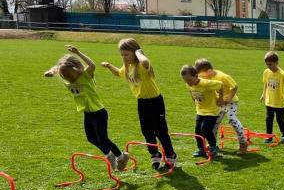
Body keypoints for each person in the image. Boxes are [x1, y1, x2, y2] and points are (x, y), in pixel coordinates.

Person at [45, 45, 129, 170]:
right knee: (91, 138)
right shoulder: (67, 79)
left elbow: (92, 65)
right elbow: (59, 67)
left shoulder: (85, 76)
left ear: (76, 69)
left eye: (70, 75)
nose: (69, 78)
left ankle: (121, 156)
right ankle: (109, 155)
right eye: (65, 76)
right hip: (87, 114)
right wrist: (52, 71)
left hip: (99, 113)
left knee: (103, 138)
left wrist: (78, 53)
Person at [100, 38, 177, 170]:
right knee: (146, 131)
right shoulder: (128, 67)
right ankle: (154, 154)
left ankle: (171, 155)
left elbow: (145, 61)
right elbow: (119, 73)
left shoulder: (142, 65)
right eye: (122, 55)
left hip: (155, 102)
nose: (124, 57)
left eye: (126, 54)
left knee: (160, 131)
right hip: (142, 103)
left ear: (135, 53)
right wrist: (109, 66)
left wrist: (138, 52)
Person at [194, 58, 248, 155]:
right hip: (218, 104)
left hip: (230, 102)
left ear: (209, 71)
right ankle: (213, 145)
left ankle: (243, 143)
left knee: (232, 119)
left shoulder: (223, 77)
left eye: (202, 74)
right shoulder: (204, 76)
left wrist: (229, 98)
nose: (201, 76)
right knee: (214, 123)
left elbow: (235, 86)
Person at [181, 64, 223, 159]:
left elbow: (220, 85)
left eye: (189, 80)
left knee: (205, 129)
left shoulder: (206, 84)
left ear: (196, 76)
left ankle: (213, 147)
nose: (188, 83)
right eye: (185, 80)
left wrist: (220, 99)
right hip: (200, 111)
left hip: (212, 110)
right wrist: (195, 103)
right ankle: (201, 149)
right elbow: (191, 92)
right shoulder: (189, 85)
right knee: (197, 131)